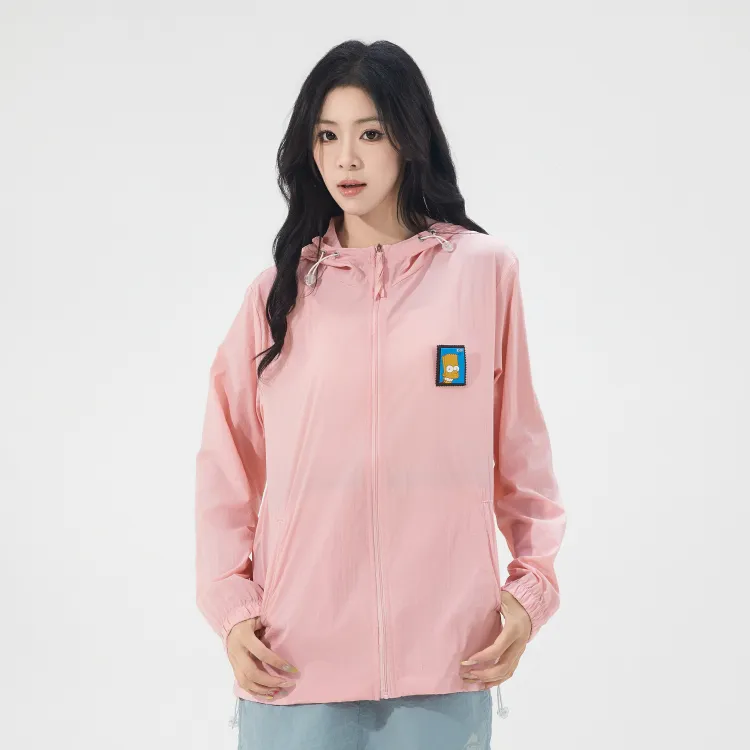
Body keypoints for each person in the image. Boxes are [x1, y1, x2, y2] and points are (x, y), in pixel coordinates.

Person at [194, 38, 566, 750]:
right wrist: (233, 608)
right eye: (327, 136)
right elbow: (225, 470)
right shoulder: (277, 295)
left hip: (448, 658)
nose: (346, 159)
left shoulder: (483, 274)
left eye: (369, 134)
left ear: (408, 136)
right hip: (292, 661)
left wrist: (529, 594)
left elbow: (523, 458)